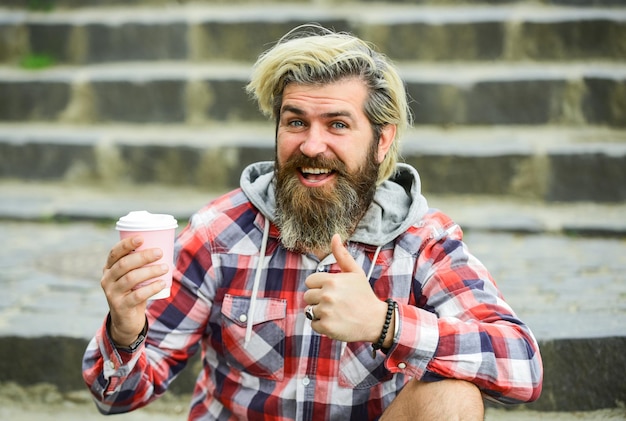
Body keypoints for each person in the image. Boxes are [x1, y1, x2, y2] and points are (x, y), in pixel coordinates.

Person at [82, 24, 543, 420]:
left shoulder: (423, 243)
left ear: (382, 141)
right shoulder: (219, 232)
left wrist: (385, 324)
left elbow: (522, 363)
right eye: (296, 122)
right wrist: (125, 328)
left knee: (453, 397)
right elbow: (118, 395)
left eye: (338, 125)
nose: (312, 145)